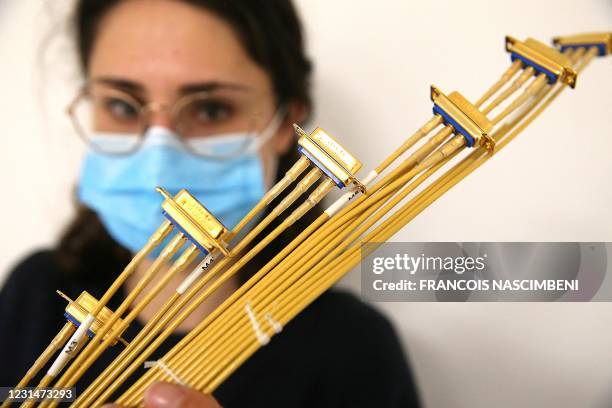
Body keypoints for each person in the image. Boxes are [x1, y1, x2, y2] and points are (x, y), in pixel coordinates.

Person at [0, 1, 421, 406]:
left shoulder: (355, 352)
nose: (158, 155)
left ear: (285, 123)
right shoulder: (34, 293)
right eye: (122, 105)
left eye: (211, 109)